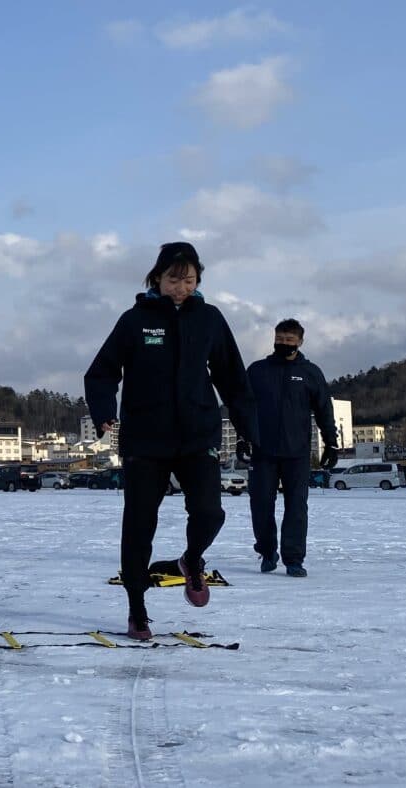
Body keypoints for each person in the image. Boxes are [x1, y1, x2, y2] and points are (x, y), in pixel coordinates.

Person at [85, 242, 258, 641]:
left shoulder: (210, 319)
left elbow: (233, 378)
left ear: (198, 282)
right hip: (146, 439)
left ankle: (191, 560)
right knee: (139, 525)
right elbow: (101, 372)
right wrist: (103, 412)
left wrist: (251, 431)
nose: (180, 287)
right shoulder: (134, 320)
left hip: (198, 434)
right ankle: (137, 609)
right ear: (156, 278)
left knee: (210, 512)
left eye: (189, 280)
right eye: (173, 279)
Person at [244, 319, 337, 579]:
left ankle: (294, 559)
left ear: (300, 342)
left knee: (296, 507)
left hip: (296, 453)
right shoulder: (257, 370)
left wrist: (331, 442)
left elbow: (324, 409)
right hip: (263, 452)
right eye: (280, 339)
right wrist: (243, 438)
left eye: (289, 340)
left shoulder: (310, 372)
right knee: (261, 505)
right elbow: (243, 405)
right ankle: (267, 551)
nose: (283, 344)